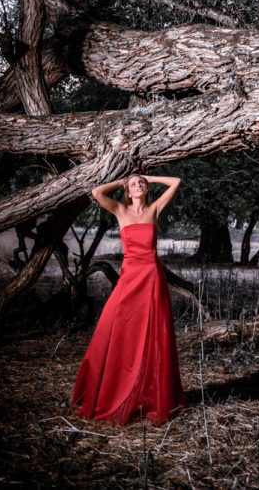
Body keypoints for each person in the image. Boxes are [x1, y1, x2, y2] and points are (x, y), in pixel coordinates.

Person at [72, 173, 185, 425]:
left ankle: (151, 394)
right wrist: (121, 182)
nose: (138, 186)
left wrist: (150, 177)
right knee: (115, 328)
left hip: (152, 277)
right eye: (133, 184)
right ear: (127, 190)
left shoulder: (155, 209)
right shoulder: (120, 210)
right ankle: (113, 389)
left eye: (141, 184)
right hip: (130, 276)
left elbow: (176, 181)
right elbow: (97, 192)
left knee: (154, 333)